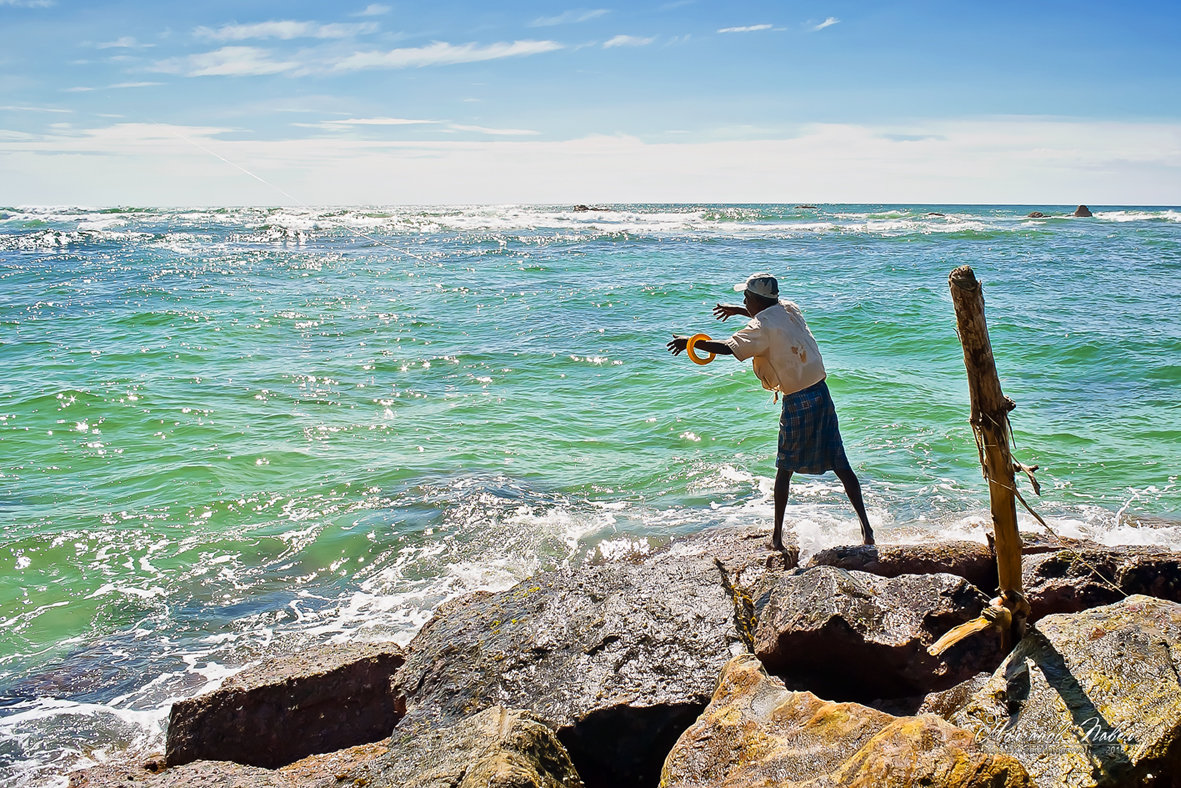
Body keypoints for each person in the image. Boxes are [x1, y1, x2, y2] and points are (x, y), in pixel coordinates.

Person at [666, 273, 874, 549]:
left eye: (745, 298)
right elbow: (767, 316)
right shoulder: (790, 309)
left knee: (784, 468)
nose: (743, 300)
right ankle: (867, 531)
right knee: (840, 463)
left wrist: (692, 342)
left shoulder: (761, 327)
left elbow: (729, 347)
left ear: (757, 301)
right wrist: (740, 311)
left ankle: (776, 538)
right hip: (821, 392)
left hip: (798, 400)